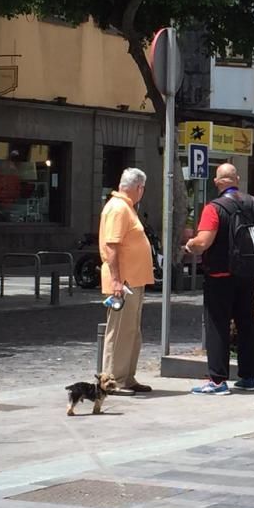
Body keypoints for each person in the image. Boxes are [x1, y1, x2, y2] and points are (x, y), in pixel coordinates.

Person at [184, 163, 254, 395]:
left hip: (220, 274)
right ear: (237, 179)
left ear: (217, 182)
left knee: (217, 325)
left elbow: (204, 242)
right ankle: (250, 377)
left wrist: (190, 244)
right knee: (247, 324)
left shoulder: (214, 208)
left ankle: (218, 381)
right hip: (247, 274)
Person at [98, 168, 155, 395]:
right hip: (123, 283)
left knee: (131, 331)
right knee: (120, 331)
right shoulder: (118, 208)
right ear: (138, 188)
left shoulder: (126, 208)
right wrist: (116, 281)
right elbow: (111, 246)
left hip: (133, 281)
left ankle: (127, 377)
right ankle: (114, 380)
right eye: (143, 189)